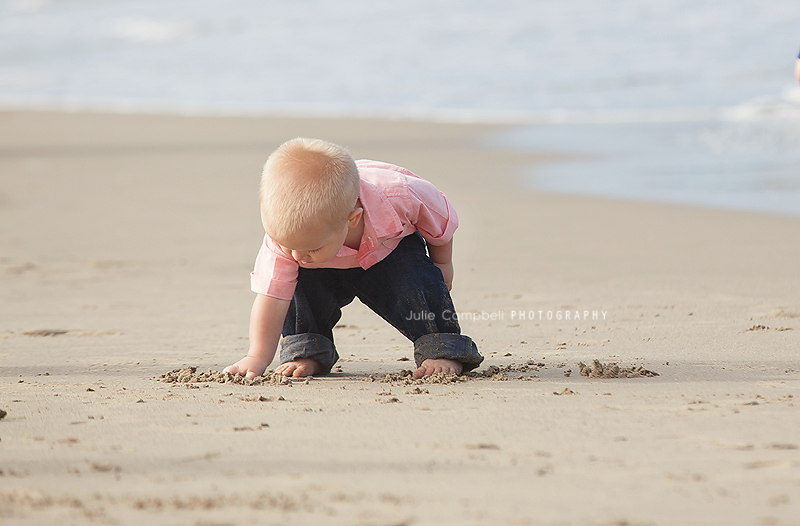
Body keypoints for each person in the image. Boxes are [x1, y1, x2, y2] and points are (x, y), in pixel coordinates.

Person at [224, 138, 483, 379]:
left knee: (416, 281)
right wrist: (256, 357)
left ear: (353, 219)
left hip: (389, 251)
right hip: (322, 270)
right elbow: (272, 298)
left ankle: (440, 346)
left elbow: (440, 220)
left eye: (309, 248)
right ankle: (308, 348)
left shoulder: (399, 195)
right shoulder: (288, 241)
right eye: (288, 245)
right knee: (296, 286)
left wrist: (442, 264)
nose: (297, 254)